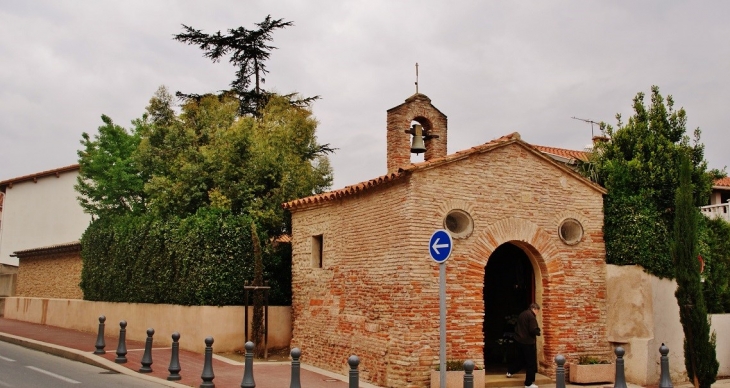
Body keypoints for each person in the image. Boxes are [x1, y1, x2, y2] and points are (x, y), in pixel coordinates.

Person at [506, 303, 541, 388]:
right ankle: (528, 383)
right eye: (537, 311)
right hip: (527, 342)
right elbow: (533, 330)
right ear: (534, 309)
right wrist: (538, 331)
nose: (537, 313)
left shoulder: (522, 314)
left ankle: (510, 371)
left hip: (519, 340)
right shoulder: (531, 316)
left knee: (521, 359)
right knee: (531, 363)